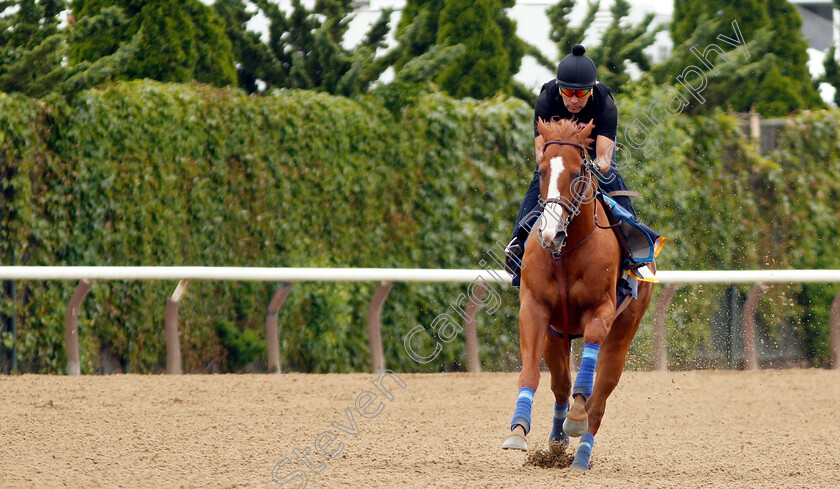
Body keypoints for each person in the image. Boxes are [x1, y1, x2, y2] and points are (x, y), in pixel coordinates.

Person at [505, 44, 644, 288]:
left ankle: (634, 246)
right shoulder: (547, 98)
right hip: (557, 151)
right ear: (559, 88)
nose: (573, 100)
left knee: (611, 176)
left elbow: (603, 159)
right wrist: (560, 165)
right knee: (543, 176)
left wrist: (586, 167)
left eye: (581, 94)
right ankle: (518, 241)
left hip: (590, 154)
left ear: (592, 91)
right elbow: (541, 153)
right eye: (568, 92)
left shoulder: (605, 104)